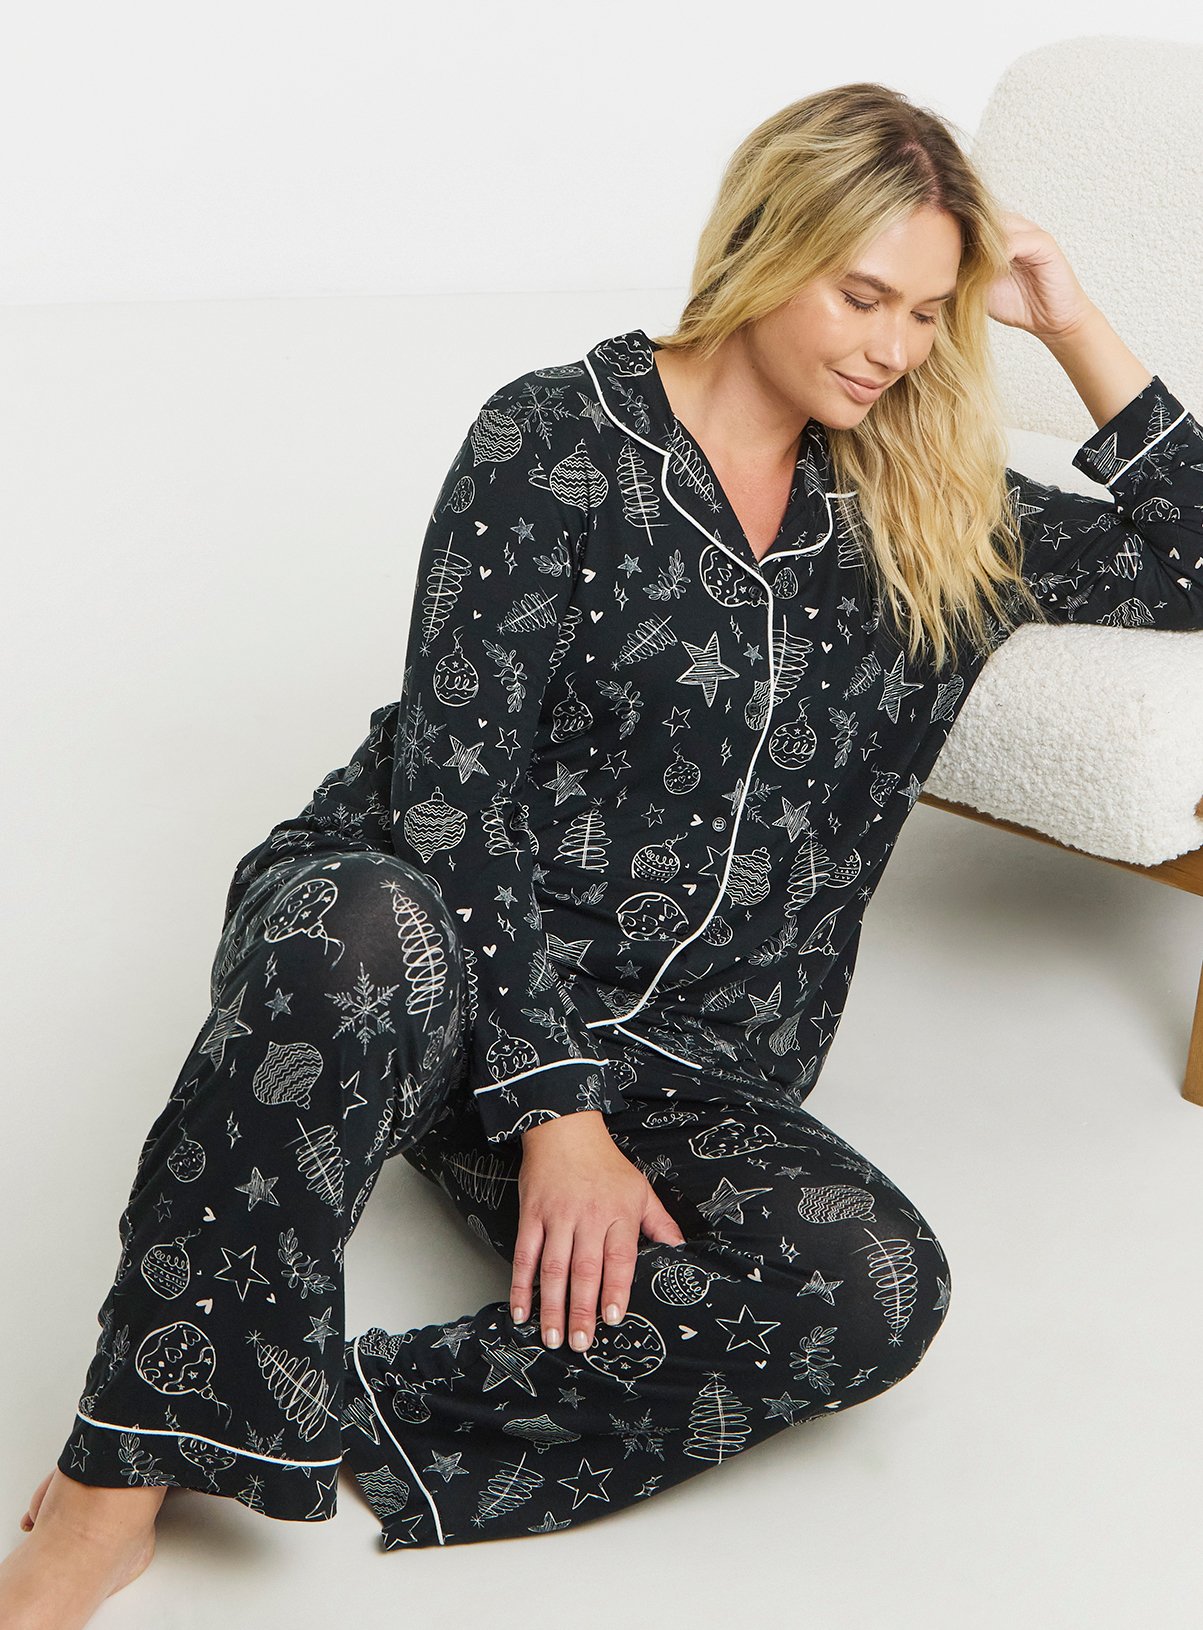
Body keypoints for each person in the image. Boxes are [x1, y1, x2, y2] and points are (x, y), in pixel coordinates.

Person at [5, 79, 1202, 1626]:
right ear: (768, 245)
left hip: (690, 1064)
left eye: (927, 313)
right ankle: (114, 1481)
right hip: (427, 967)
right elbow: (452, 798)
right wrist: (555, 1110)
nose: (894, 349)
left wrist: (1070, 318)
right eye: (861, 296)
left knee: (875, 1284)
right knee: (353, 925)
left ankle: (300, 1404)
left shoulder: (930, 510)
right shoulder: (554, 440)